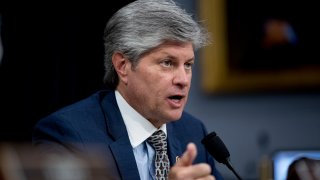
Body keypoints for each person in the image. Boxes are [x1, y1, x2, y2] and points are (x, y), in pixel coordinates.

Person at [32, 0, 223, 179]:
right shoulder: (69, 135)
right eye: (167, 63)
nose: (183, 80)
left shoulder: (193, 132)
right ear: (123, 66)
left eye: (188, 64)